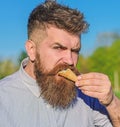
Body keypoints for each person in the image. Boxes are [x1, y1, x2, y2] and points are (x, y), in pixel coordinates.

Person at [0, 1, 120, 127]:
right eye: (58, 48)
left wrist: (112, 102)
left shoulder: (88, 96)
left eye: (75, 51)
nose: (70, 60)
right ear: (32, 50)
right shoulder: (3, 98)